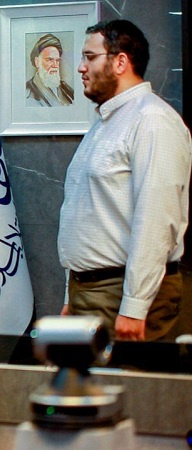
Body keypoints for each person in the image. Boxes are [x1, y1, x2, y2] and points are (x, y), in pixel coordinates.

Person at [58, 20, 192, 341]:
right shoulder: (107, 122)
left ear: (120, 62)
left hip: (123, 294)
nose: (81, 67)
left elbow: (156, 220)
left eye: (90, 57)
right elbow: (89, 216)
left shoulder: (152, 120)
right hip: (91, 292)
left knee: (128, 376)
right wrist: (71, 297)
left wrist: (135, 306)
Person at [26, 33, 74, 107]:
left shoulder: (67, 90)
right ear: (37, 62)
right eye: (50, 59)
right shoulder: (27, 94)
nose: (55, 65)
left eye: (57, 60)